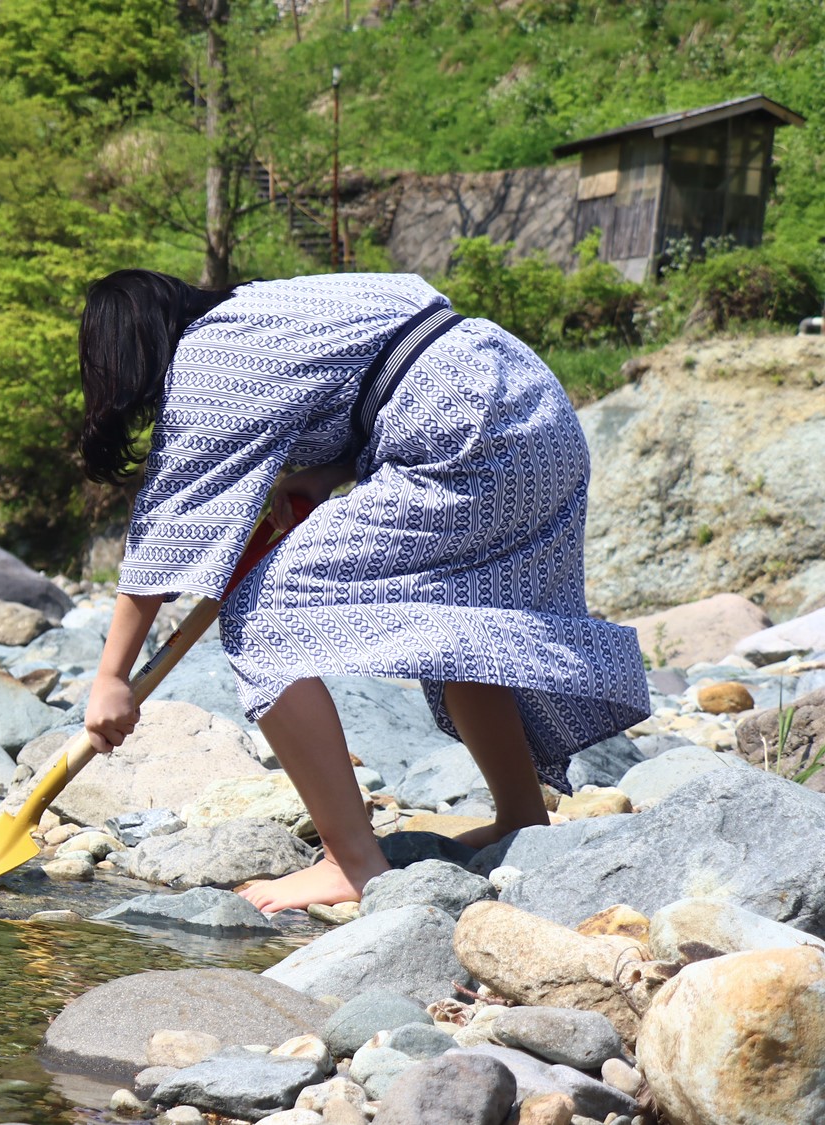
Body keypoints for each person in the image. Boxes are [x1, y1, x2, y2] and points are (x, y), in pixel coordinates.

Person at [78, 269, 648, 914]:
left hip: (464, 440)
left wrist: (112, 678)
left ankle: (351, 864)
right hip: (535, 414)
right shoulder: (277, 304)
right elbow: (405, 350)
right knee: (471, 622)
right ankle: (521, 819)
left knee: (264, 617)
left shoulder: (211, 359)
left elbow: (170, 527)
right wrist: (328, 474)